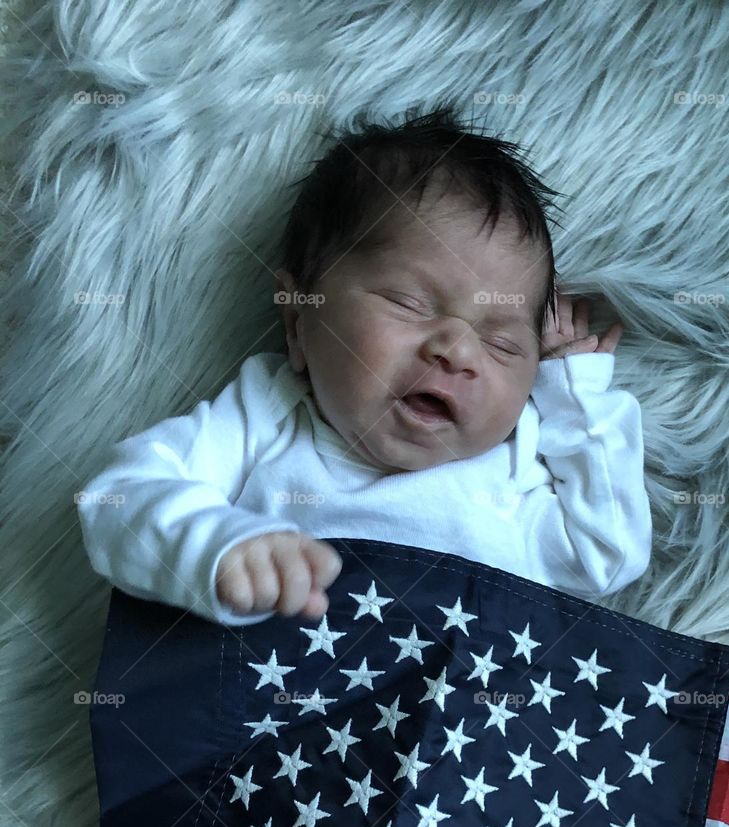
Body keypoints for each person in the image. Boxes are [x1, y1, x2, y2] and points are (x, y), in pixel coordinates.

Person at [78, 103, 652, 626]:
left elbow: (610, 552)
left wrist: (573, 394)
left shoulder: (516, 465)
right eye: (410, 304)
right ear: (299, 320)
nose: (457, 350)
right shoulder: (267, 418)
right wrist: (217, 546)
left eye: (503, 343)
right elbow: (119, 497)